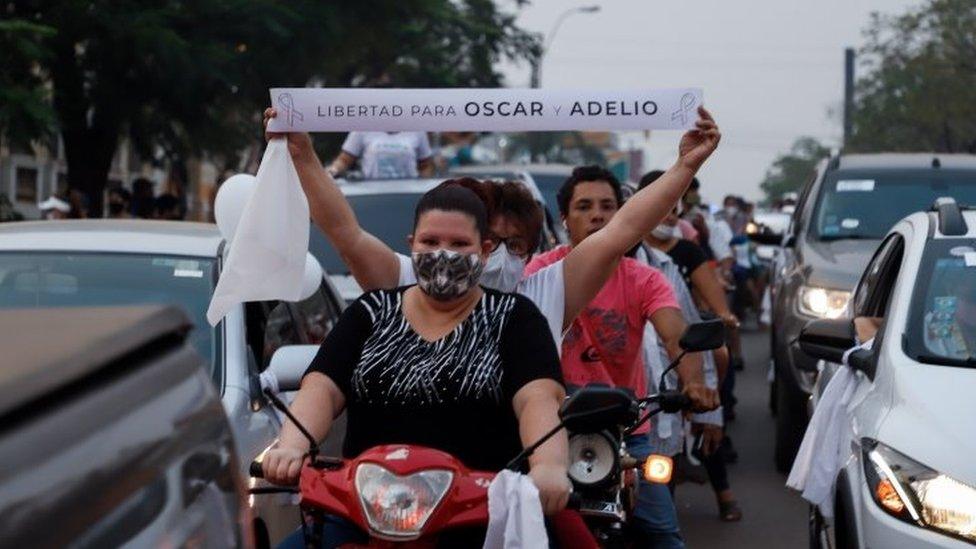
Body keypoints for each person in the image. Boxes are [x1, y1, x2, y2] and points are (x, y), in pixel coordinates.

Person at [263, 105, 722, 379]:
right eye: (490, 242)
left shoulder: (546, 295)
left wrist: (685, 168)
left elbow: (622, 231)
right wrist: (302, 153)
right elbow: (345, 232)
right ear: (476, 244)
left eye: (517, 246)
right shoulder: (406, 280)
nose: (500, 257)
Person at [262, 184, 570, 547]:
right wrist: (291, 446)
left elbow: (538, 399)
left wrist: (548, 466)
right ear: (412, 244)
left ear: (485, 251)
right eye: (430, 242)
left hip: (480, 516)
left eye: (459, 245)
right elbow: (322, 389)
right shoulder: (370, 311)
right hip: (361, 511)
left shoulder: (516, 318)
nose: (443, 254)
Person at [328, 131, 435, 179]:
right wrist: (331, 172)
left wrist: (427, 193)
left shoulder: (417, 131)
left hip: (409, 192)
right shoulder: (362, 128)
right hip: (372, 192)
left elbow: (425, 165)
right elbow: (344, 160)